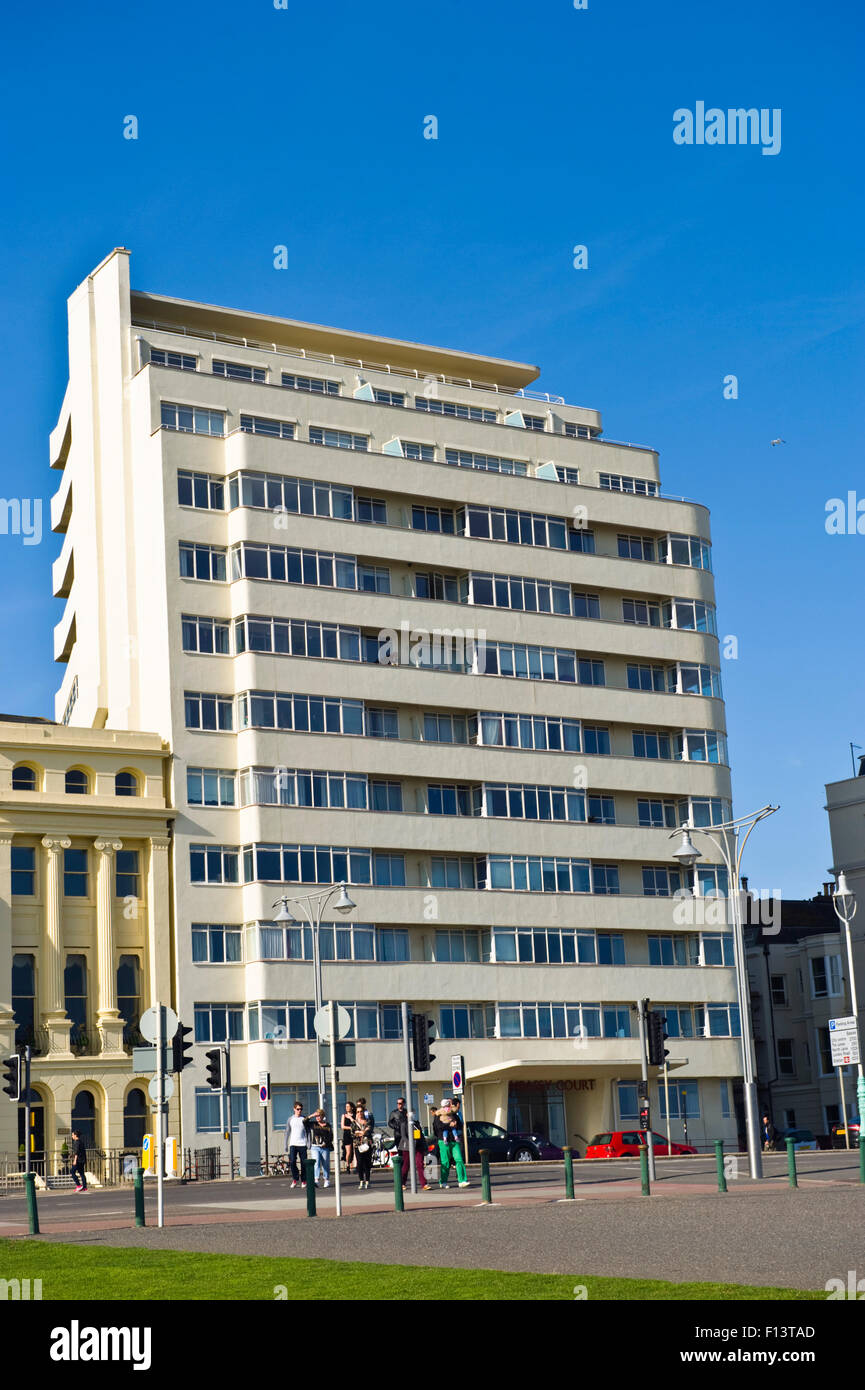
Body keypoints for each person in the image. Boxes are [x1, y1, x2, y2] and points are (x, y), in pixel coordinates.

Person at [389, 1097, 429, 1191]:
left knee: (419, 1164)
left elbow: (419, 1135)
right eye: (410, 1113)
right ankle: (402, 1183)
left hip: (418, 1146)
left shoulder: (416, 1124)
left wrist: (423, 1145)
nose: (411, 1115)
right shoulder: (403, 1123)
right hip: (407, 1147)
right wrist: (410, 1144)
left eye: (413, 1113)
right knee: (406, 1165)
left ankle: (424, 1184)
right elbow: (403, 1136)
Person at [433, 1099, 469, 1188]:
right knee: (445, 1162)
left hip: (454, 1140)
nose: (449, 1106)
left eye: (450, 1104)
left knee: (459, 1159)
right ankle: (443, 1181)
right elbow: (437, 1127)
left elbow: (460, 1125)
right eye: (448, 1104)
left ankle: (462, 1180)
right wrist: (449, 1125)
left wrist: (456, 1124)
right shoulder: (438, 1115)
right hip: (443, 1141)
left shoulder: (453, 1114)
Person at [284, 1100, 311, 1187]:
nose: (299, 1111)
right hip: (293, 1144)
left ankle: (304, 1180)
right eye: (298, 1109)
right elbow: (287, 1132)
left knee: (304, 1163)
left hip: (302, 1144)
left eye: (301, 1109)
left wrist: (309, 1142)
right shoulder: (290, 1119)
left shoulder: (304, 1119)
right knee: (292, 1162)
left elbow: (308, 1132)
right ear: (294, 1109)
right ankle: (295, 1179)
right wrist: (285, 1144)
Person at [309, 1108, 333, 1187]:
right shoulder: (314, 1124)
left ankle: (326, 1179)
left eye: (319, 1116)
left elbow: (330, 1136)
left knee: (325, 1163)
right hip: (315, 1146)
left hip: (324, 1147)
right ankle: (316, 1179)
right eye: (317, 1116)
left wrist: (326, 1143)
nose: (318, 1117)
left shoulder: (328, 1125)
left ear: (323, 1116)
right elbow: (304, 1122)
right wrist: (312, 1115)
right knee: (316, 1162)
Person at [352, 1105, 374, 1189]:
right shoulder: (354, 1123)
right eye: (357, 1112)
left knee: (367, 1163)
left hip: (367, 1144)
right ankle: (361, 1180)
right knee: (360, 1163)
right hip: (358, 1145)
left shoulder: (368, 1121)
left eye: (361, 1111)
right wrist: (362, 1132)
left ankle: (367, 1181)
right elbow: (353, 1134)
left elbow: (369, 1131)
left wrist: (360, 1132)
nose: (359, 1113)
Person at [341, 1101, 356, 1173]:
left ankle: (355, 1165)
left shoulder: (355, 1115)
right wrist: (351, 1128)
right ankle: (348, 1165)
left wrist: (350, 1118)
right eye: (346, 1106)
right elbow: (342, 1126)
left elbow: (356, 1124)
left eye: (348, 1106)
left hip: (354, 1134)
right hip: (347, 1134)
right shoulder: (344, 1115)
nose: (347, 1108)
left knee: (355, 1150)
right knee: (348, 1151)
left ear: (352, 1107)